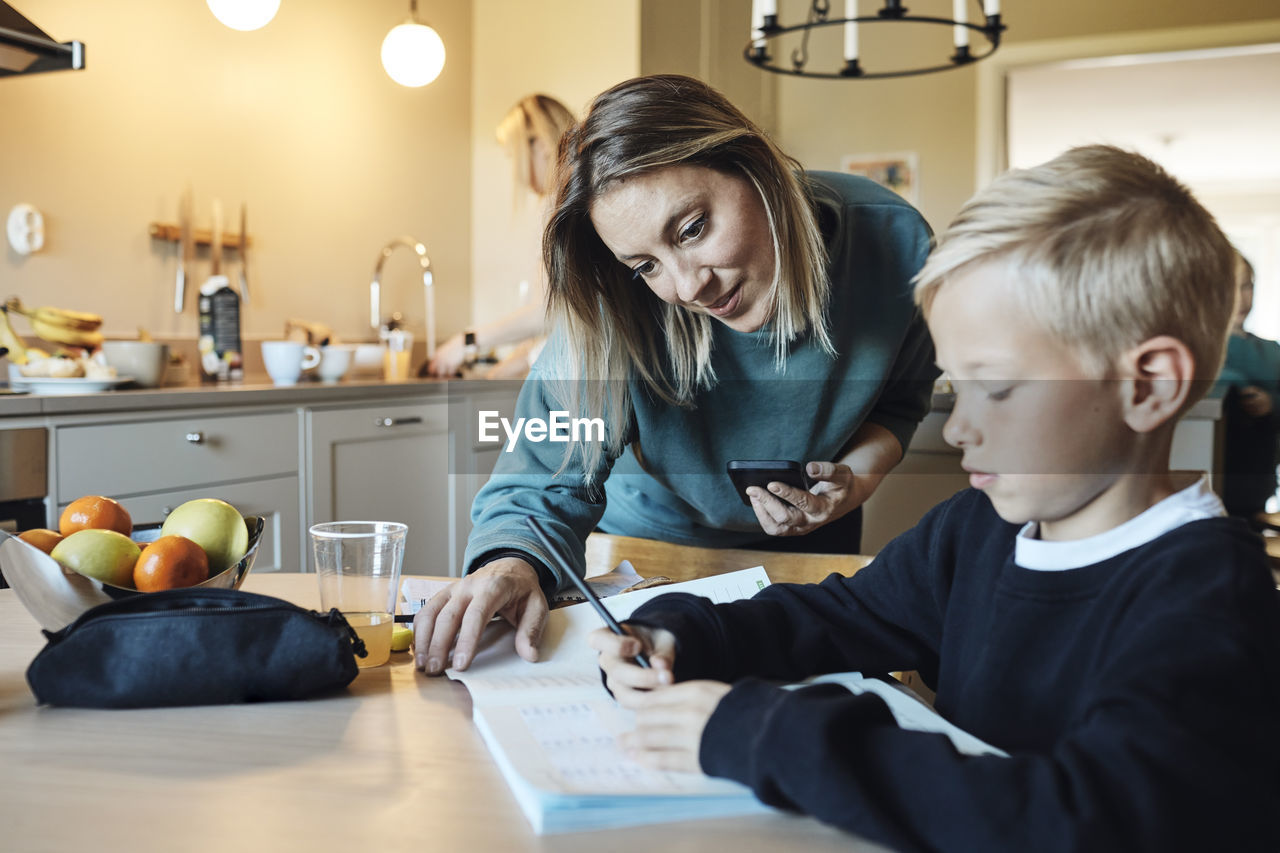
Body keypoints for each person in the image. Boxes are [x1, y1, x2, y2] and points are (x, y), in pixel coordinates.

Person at [590, 145, 1280, 851]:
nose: (957, 427)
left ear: (1148, 386)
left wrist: (765, 732)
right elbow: (834, 614)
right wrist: (682, 633)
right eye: (956, 387)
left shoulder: (1210, 598)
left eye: (999, 387)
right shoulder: (975, 530)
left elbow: (1079, 818)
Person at [414, 74, 937, 675]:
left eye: (692, 229)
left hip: (814, 553)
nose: (688, 288)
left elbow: (900, 402)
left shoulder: (896, 240)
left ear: (756, 166)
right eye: (645, 266)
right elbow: (539, 479)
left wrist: (858, 480)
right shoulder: (611, 311)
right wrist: (510, 565)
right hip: (650, 554)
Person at [425, 94, 576, 379]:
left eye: (514, 156)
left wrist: (466, 342)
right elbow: (555, 326)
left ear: (541, 144)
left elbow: (544, 312)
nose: (516, 175)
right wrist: (493, 377)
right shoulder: (575, 201)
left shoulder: (562, 206)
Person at [1216, 252, 1280, 519]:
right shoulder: (1206, 348)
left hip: (1258, 483)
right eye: (1232, 286)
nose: (1242, 297)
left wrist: (1271, 403)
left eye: (1247, 286)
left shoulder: (1271, 350)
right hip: (1217, 478)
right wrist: (1240, 383)